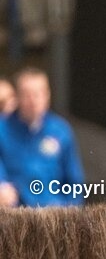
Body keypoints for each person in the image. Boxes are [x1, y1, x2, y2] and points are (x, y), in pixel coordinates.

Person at [0, 69, 85, 207]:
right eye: (27, 95)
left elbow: (74, 182)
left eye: (37, 94)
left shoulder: (61, 131)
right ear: (17, 98)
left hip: (53, 212)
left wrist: (70, 209)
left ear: (47, 96)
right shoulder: (2, 129)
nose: (32, 101)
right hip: (14, 212)